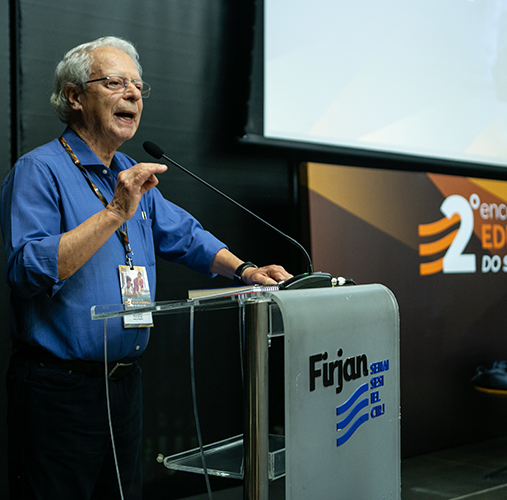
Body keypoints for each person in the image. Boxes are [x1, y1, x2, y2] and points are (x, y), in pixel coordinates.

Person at [0, 36, 293, 500]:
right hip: (58, 390)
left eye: (138, 85)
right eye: (116, 83)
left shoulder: (133, 171)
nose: (134, 94)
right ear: (75, 97)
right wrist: (116, 210)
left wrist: (246, 270)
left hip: (122, 386)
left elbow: (186, 235)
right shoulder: (39, 171)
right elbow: (27, 270)